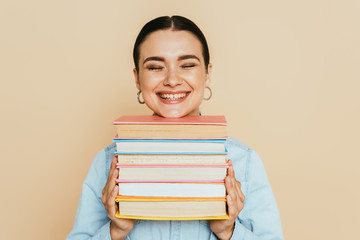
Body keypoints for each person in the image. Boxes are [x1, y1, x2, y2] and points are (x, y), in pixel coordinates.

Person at [67, 15, 284, 240]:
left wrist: (228, 232)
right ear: (137, 79)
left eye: (188, 65)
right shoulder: (107, 163)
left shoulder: (245, 162)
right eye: (155, 67)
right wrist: (115, 231)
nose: (172, 80)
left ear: (208, 73)